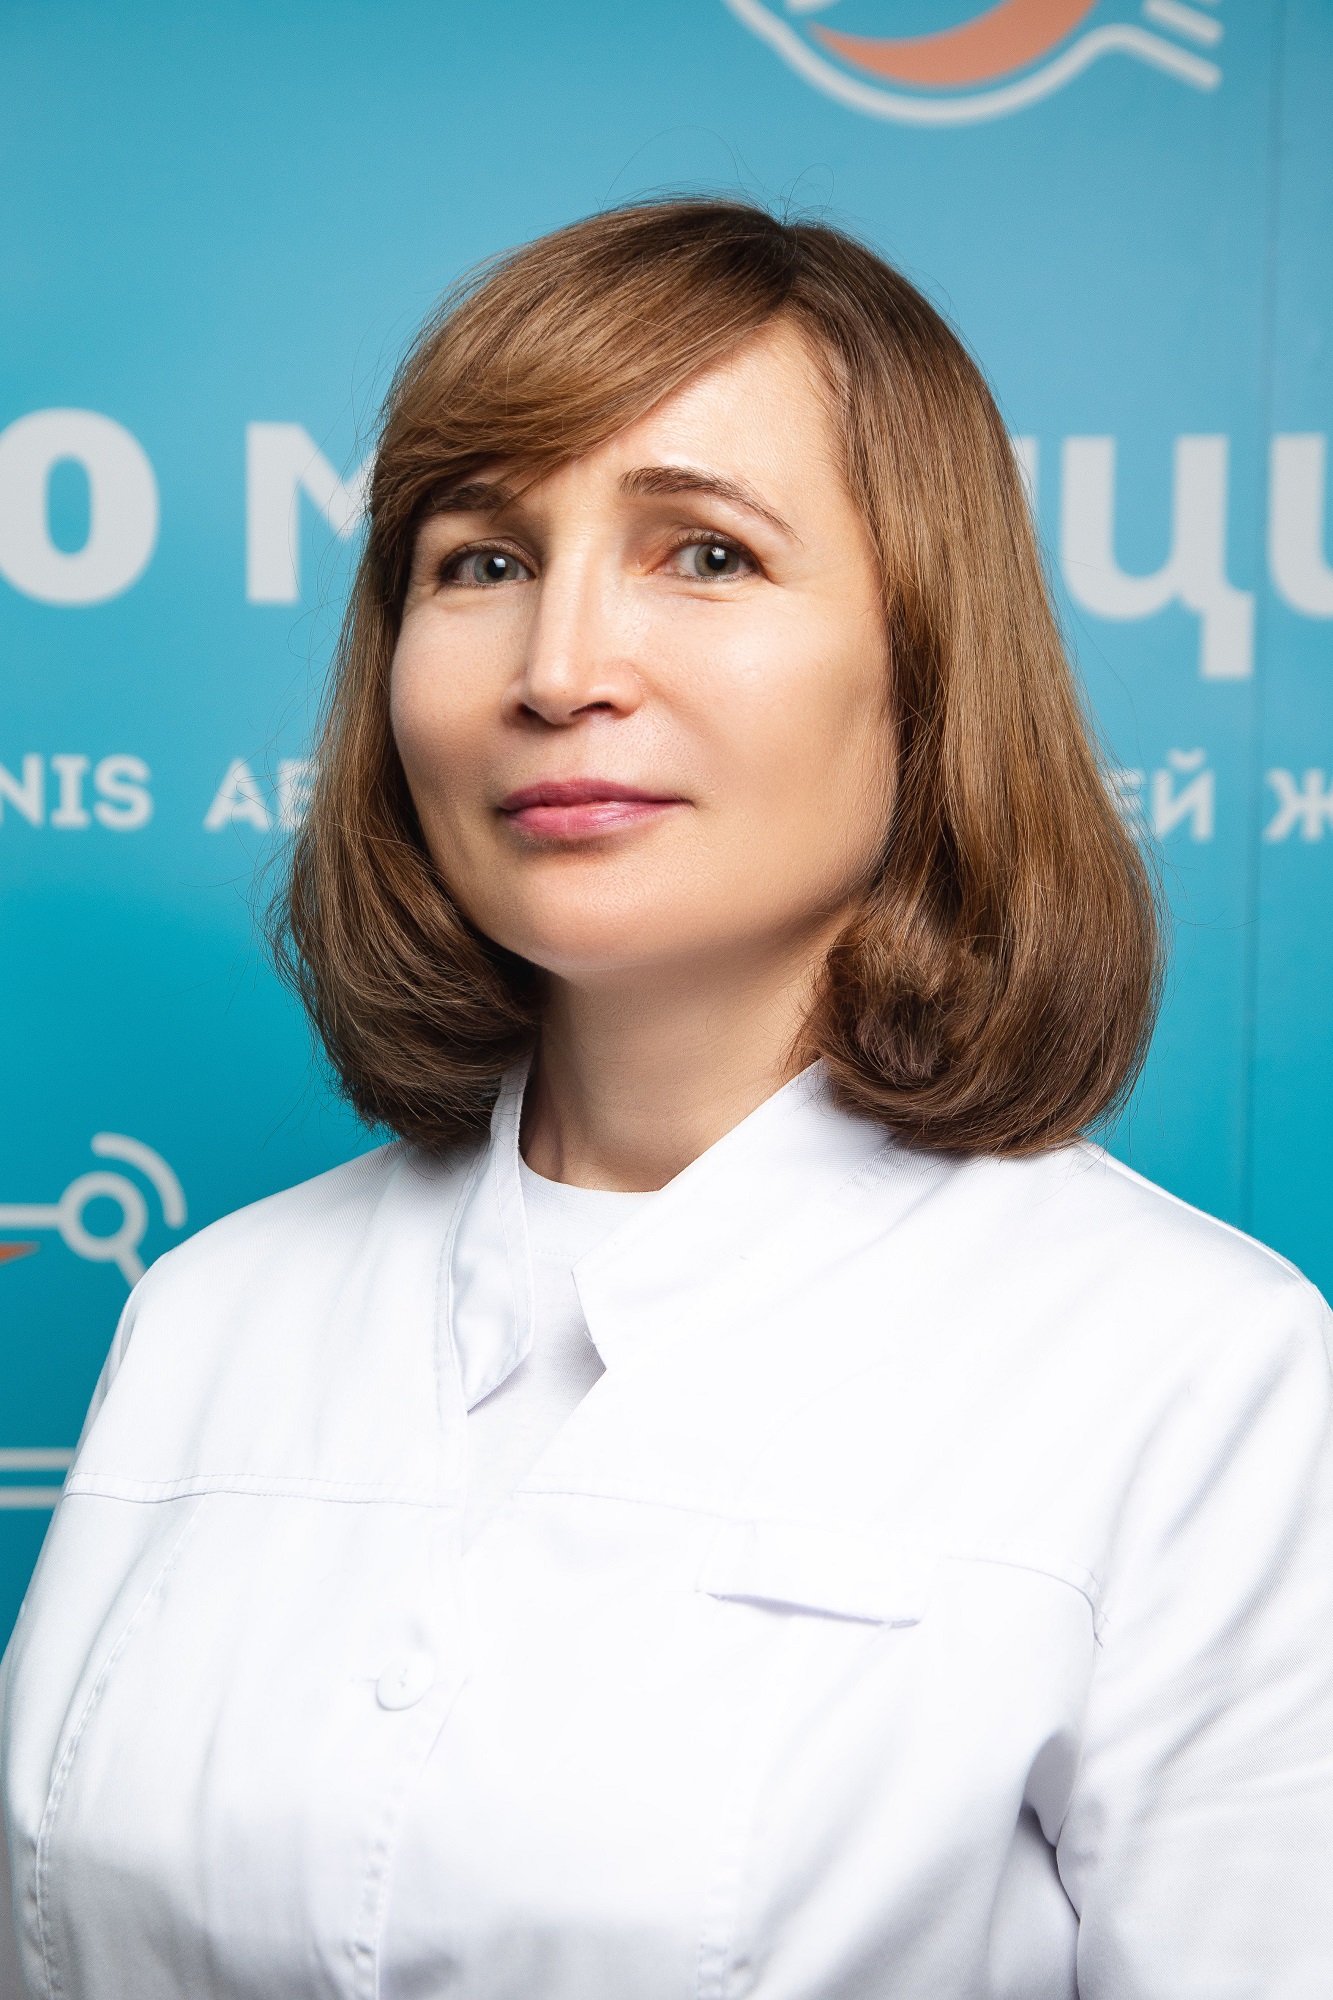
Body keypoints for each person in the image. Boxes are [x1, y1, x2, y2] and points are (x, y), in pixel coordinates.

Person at [2, 198, 1330, 2000]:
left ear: (925, 662)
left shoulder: (1197, 1376)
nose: (558, 672)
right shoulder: (208, 1311)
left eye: (705, 554)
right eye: (480, 562)